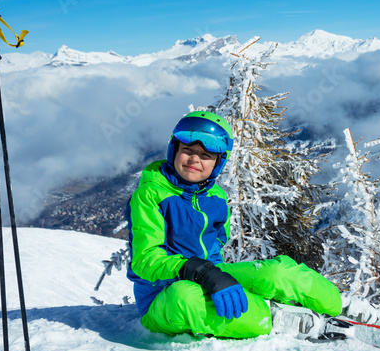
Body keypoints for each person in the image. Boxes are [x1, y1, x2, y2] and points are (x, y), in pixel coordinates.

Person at [125, 111, 343, 339]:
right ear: (174, 150)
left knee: (275, 272)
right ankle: (275, 319)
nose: (194, 159)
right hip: (162, 297)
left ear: (218, 163)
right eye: (187, 150)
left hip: (207, 276)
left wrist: (218, 278)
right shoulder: (150, 194)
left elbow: (216, 245)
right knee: (185, 297)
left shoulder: (216, 197)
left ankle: (340, 305)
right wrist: (199, 271)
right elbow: (145, 260)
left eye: (205, 155)